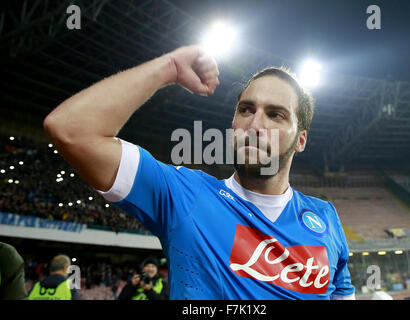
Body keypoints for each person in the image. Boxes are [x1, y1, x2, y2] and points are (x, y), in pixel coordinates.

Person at [43, 45, 355, 299]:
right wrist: (169, 67)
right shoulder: (184, 194)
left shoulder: (325, 218)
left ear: (300, 140)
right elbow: (70, 130)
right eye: (246, 110)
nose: (255, 125)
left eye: (275, 115)